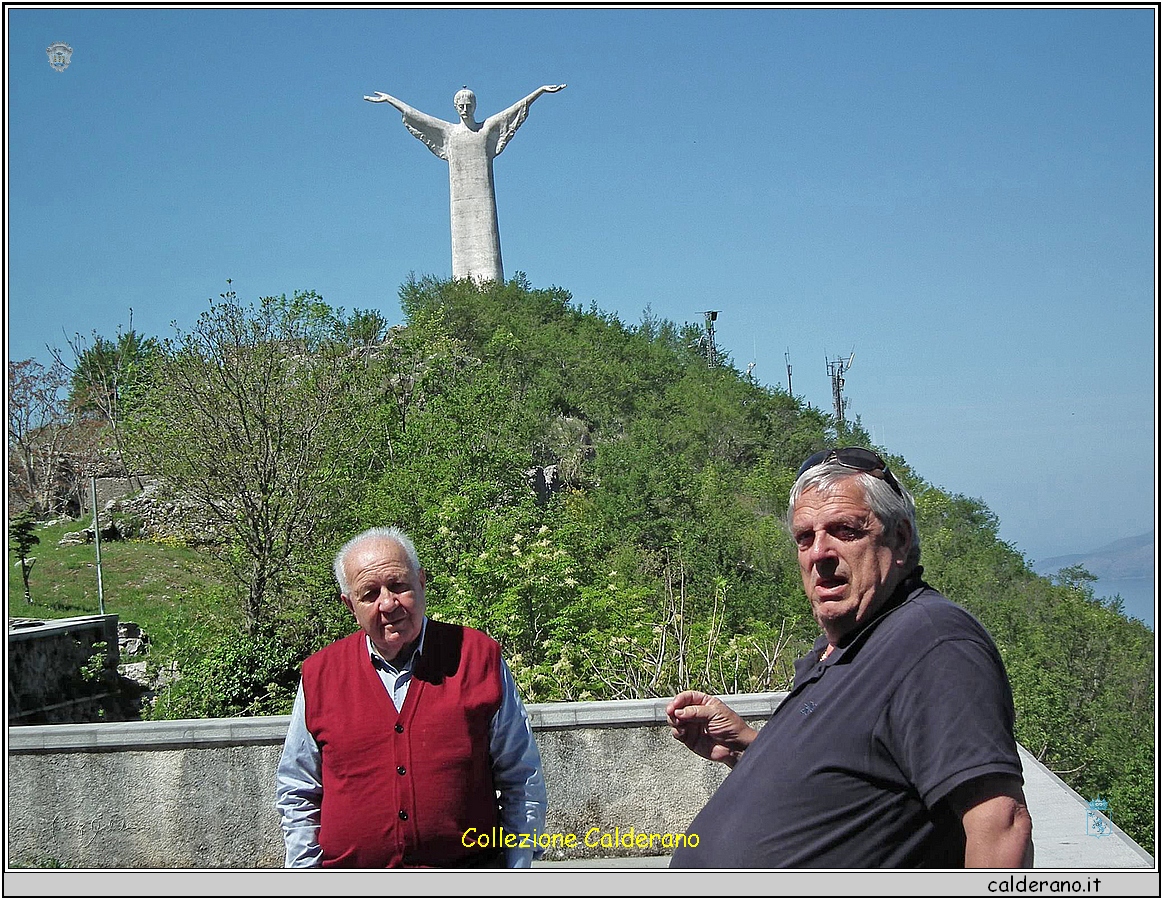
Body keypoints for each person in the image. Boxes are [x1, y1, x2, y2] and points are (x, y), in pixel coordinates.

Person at [667, 448, 1034, 868]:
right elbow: (848, 793)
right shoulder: (844, 651)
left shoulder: (932, 642)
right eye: (805, 537)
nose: (818, 553)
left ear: (900, 538)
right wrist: (747, 749)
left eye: (844, 530)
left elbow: (1002, 825)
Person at [275, 526, 546, 867]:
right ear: (349, 605)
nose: (388, 603)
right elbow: (298, 787)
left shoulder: (477, 657)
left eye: (398, 586)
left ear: (421, 581)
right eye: (370, 593)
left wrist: (517, 865)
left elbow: (520, 774)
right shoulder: (321, 674)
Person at [364, 84, 566, 283]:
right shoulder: (449, 133)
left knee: (489, 256)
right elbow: (417, 116)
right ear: (455, 107)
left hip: (484, 202)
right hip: (460, 204)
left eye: (468, 105)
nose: (464, 109)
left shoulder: (486, 129)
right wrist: (390, 100)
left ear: (475, 106)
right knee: (461, 266)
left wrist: (540, 91)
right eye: (460, 106)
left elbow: (514, 110)